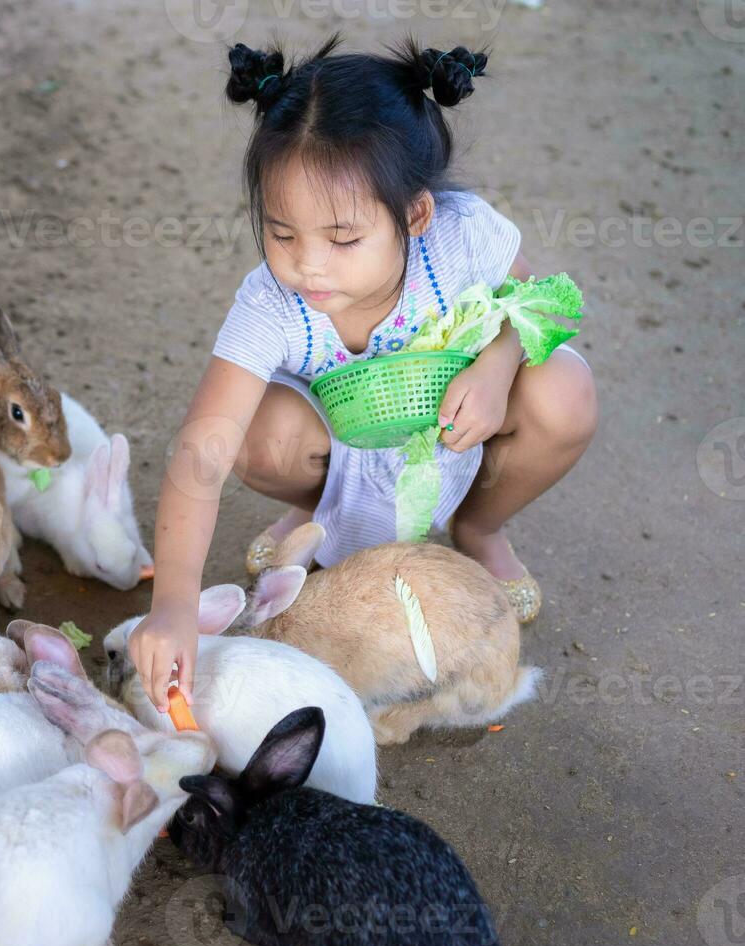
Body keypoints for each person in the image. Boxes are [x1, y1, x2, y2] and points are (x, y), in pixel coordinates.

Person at [129, 38, 597, 710]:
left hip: (454, 435)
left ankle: (480, 527)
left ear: (415, 214)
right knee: (258, 431)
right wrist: (172, 603)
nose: (308, 266)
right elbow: (204, 448)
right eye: (282, 233)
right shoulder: (271, 303)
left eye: (342, 238)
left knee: (566, 389)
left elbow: (542, 300)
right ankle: (318, 510)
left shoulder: (463, 236)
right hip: (338, 448)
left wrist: (497, 368)